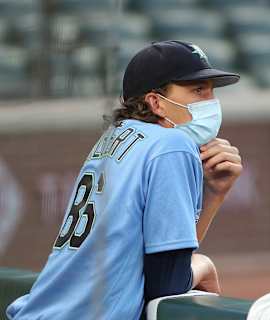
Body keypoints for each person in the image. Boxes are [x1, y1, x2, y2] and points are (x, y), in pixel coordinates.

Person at [6, 40, 243, 319]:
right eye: (198, 90)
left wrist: (214, 193)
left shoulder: (114, 138)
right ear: (156, 102)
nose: (210, 102)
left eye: (211, 91)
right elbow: (165, 285)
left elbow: (157, 262)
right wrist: (203, 266)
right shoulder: (173, 145)